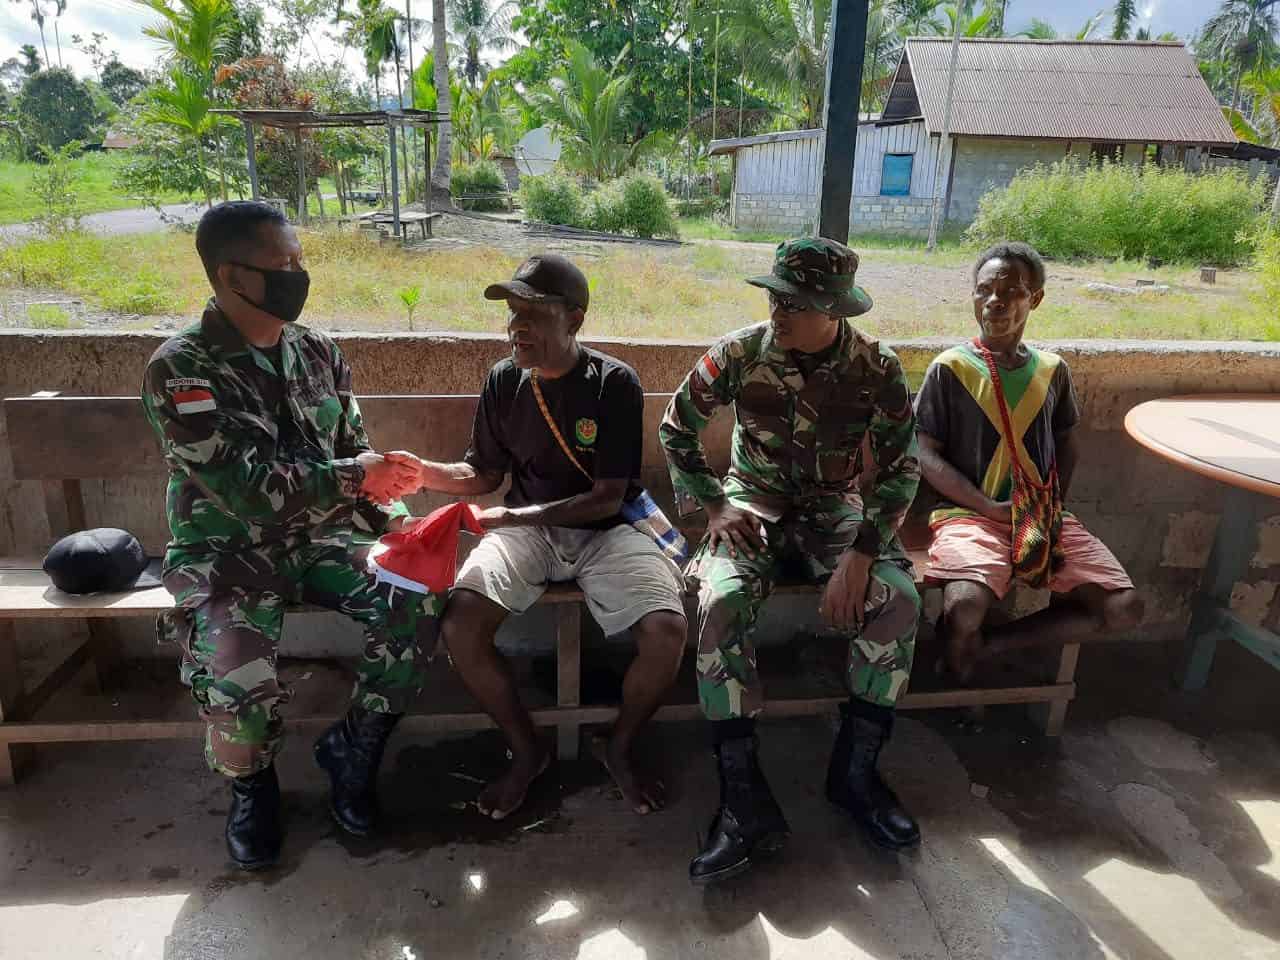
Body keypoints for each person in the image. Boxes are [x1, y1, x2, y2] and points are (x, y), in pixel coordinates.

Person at [141, 201, 432, 870]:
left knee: (417, 597)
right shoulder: (182, 370)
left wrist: (404, 530)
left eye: (300, 262)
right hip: (227, 555)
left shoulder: (319, 351)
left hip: (322, 544)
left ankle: (354, 750)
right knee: (238, 683)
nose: (298, 275)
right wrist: (358, 475)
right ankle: (252, 787)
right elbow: (246, 488)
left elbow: (360, 456)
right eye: (282, 265)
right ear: (230, 276)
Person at [660, 237, 923, 886]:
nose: (779, 309)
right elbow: (676, 426)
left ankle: (854, 777)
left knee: (900, 604)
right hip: (754, 507)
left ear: (834, 310)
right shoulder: (741, 352)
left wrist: (863, 554)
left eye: (796, 301)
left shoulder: (876, 366)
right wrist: (714, 507)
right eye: (775, 295)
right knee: (718, 604)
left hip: (837, 510)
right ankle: (743, 801)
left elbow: (900, 466)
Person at [391, 254, 688, 820]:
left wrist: (508, 519)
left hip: (606, 530)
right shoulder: (504, 380)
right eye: (512, 314)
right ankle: (527, 751)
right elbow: (483, 474)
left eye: (533, 314)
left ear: (573, 320)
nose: (517, 327)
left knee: (667, 630)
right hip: (530, 532)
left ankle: (618, 746)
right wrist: (426, 472)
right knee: (461, 623)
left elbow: (606, 496)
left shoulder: (614, 383)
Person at [914, 242, 1143, 684]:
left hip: (1038, 515)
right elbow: (924, 453)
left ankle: (987, 648)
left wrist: (1051, 508)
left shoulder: (1051, 370)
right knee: (963, 606)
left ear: (1034, 299)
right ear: (973, 296)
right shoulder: (951, 369)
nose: (995, 301)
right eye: (985, 290)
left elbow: (1066, 442)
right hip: (970, 515)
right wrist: (988, 507)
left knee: (1124, 608)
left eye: (1011, 291)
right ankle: (960, 677)